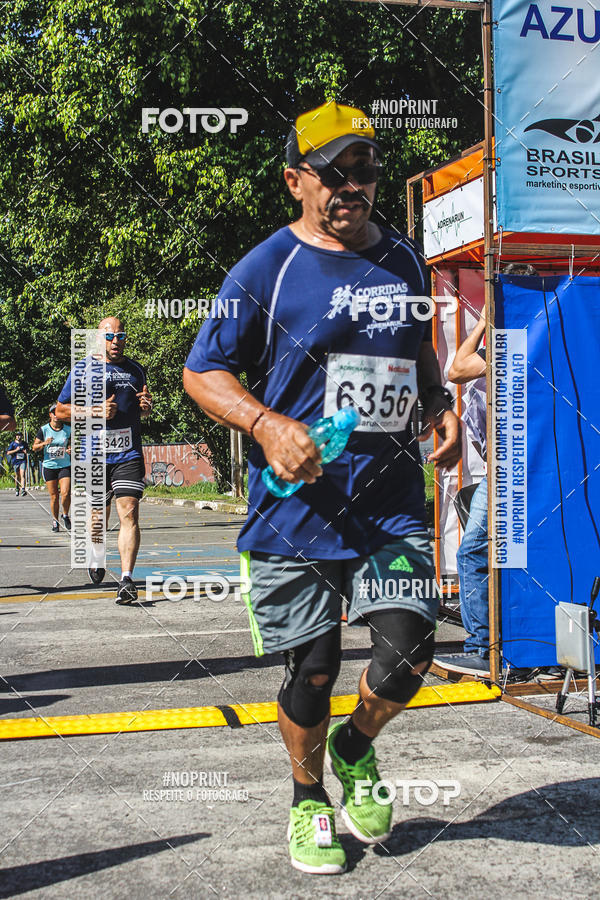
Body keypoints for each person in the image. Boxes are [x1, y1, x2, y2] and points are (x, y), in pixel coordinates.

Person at [183, 101, 461, 875]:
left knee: (409, 650)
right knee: (313, 670)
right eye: (332, 171)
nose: (351, 184)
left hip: (389, 502)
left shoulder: (406, 260)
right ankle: (308, 800)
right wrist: (267, 424)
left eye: (363, 167)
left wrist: (437, 405)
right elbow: (201, 372)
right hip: (295, 510)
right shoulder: (266, 266)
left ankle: (355, 745)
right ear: (295, 180)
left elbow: (418, 356)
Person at [55, 317, 152, 604]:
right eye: (110, 336)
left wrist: (146, 407)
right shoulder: (82, 369)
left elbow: (140, 409)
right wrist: (95, 411)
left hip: (128, 452)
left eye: (121, 335)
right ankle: (96, 555)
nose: (116, 341)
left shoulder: (136, 370)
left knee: (129, 511)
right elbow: (60, 411)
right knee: (98, 517)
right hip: (93, 454)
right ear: (100, 339)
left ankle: (125, 580)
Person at [32, 404, 72, 532]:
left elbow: (74, 444)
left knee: (65, 493)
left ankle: (65, 515)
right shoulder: (44, 430)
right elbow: (34, 447)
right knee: (54, 496)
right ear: (50, 415)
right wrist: (44, 443)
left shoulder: (68, 429)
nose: (56, 415)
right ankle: (55, 521)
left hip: (64, 465)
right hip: (49, 466)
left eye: (58, 413)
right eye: (53, 413)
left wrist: (71, 449)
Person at [7, 431, 29, 496]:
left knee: (22, 475)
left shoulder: (24, 443)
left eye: (19, 435)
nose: (18, 436)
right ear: (15, 436)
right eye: (17, 435)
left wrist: (26, 451)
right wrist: (16, 450)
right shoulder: (13, 444)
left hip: (23, 461)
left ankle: (23, 489)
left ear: (21, 436)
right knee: (17, 476)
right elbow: (8, 452)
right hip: (15, 461)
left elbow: (28, 450)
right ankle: (17, 488)